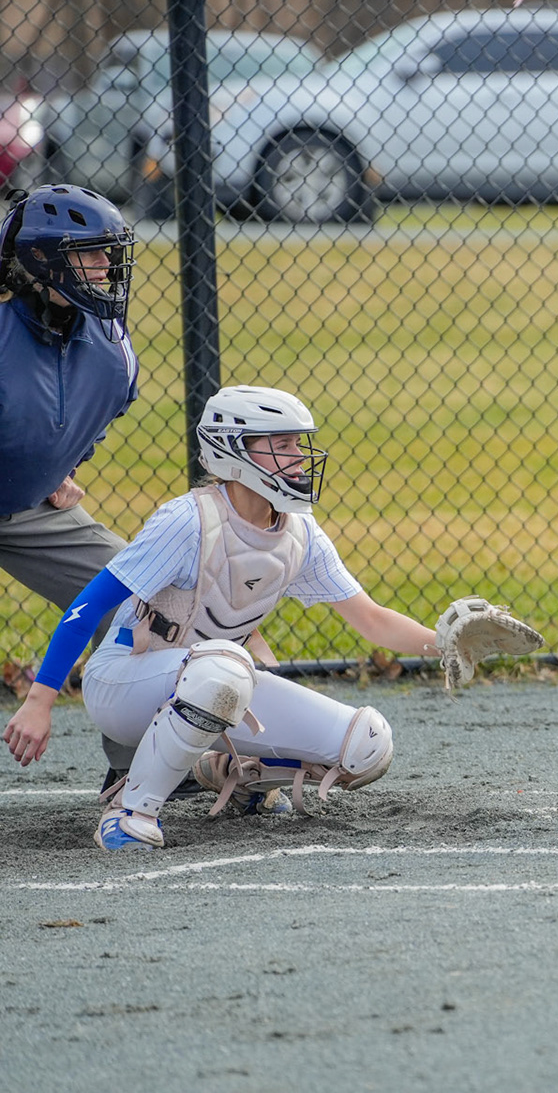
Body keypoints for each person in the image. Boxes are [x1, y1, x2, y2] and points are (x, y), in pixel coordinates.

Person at [2, 385, 447, 852]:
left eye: (298, 443)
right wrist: (39, 701)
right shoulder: (188, 520)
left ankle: (225, 769)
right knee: (224, 669)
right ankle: (131, 813)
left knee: (366, 744)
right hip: (123, 682)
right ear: (234, 452)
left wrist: (448, 644)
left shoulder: (300, 533)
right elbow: (87, 607)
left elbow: (372, 620)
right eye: (282, 445)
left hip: (214, 683)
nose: (299, 458)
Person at [0, 184, 144, 782]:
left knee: (138, 602)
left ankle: (142, 768)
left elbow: (103, 408)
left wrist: (65, 465)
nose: (107, 265)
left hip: (25, 508)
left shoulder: (110, 345)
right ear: (41, 260)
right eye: (90, 252)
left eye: (109, 251)